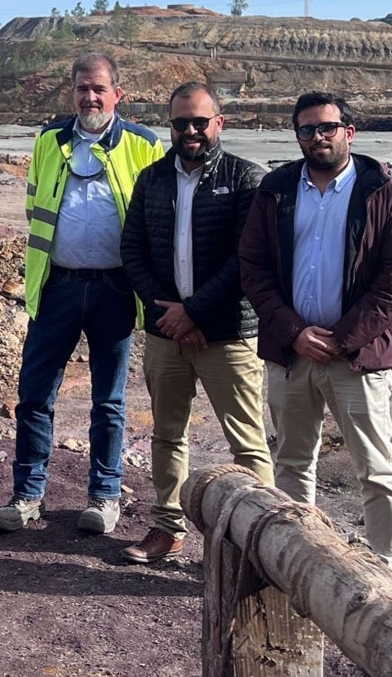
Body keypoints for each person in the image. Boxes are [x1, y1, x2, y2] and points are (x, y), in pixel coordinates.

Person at [239, 91, 392, 587]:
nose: (317, 137)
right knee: (292, 462)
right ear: (295, 135)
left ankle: (390, 571)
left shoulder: (385, 190)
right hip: (292, 354)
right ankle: (295, 560)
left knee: (376, 466)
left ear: (349, 132)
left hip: (356, 357)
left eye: (327, 127)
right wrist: (294, 332)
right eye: (306, 130)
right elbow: (253, 269)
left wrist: (341, 339)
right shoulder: (276, 189)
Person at [0, 52, 163, 535]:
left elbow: (157, 218)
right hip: (58, 285)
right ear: (73, 93)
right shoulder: (49, 141)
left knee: (108, 400)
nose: (90, 97)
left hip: (116, 289)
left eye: (99, 89)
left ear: (117, 95)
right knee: (34, 395)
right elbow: (34, 205)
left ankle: (105, 497)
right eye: (82, 89)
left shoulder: (144, 144)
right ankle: (27, 495)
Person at [118, 82, 273, 563]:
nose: (189, 131)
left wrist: (196, 312)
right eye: (180, 122)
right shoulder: (153, 179)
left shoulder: (247, 179)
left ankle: (257, 544)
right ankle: (168, 527)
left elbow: (245, 259)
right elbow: (132, 250)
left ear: (218, 124)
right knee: (167, 434)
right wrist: (169, 313)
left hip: (227, 333)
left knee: (246, 443)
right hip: (167, 332)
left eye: (199, 122)